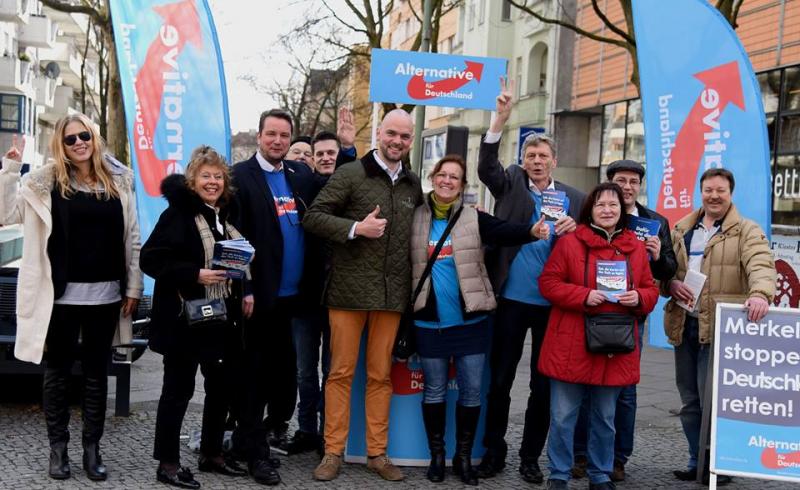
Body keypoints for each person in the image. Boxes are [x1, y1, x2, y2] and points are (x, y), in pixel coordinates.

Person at [0, 115, 143, 481]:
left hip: (106, 296)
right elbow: (5, 214)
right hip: (58, 298)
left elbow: (133, 238)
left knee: (97, 375)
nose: (79, 143)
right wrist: (11, 169)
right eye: (70, 139)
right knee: (58, 374)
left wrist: (133, 287)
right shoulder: (44, 183)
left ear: (94, 138)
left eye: (84, 136)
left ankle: (92, 450)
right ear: (59, 146)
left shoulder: (120, 181)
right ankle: (58, 449)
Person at [411, 155, 550, 485]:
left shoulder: (473, 217)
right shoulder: (415, 217)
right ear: (433, 177)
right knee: (433, 392)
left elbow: (505, 231)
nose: (447, 181)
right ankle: (437, 457)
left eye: (454, 177)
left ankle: (462, 458)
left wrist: (532, 230)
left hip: (470, 323)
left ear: (462, 185)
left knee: (472, 394)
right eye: (442, 175)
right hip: (429, 322)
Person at [303, 109, 423, 482]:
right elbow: (314, 217)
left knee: (381, 376)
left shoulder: (412, 184)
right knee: (339, 374)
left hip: (391, 295)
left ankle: (377, 453)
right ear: (378, 133)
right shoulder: (350, 173)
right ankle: (333, 452)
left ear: (410, 140)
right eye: (392, 134)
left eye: (404, 137)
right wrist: (356, 227)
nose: (397, 142)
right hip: (347, 293)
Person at [477, 78, 584, 483]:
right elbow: (486, 166)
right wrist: (499, 121)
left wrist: (576, 231)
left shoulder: (574, 198)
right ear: (523, 160)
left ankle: (530, 458)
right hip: (510, 300)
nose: (536, 161)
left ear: (554, 160)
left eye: (543, 155)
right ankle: (494, 453)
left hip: (552, 305)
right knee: (500, 381)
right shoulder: (510, 182)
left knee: (542, 388)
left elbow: (590, 246)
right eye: (530, 155)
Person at [140, 146, 251, 489]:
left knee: (221, 387)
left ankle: (211, 452)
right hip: (184, 319)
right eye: (206, 176)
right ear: (193, 180)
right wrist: (194, 274)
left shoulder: (227, 214)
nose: (213, 182)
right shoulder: (177, 214)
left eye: (218, 176)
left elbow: (236, 256)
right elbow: (151, 259)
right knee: (178, 390)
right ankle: (169, 463)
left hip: (222, 316)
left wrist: (243, 286)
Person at [537, 182, 658, 490]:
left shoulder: (635, 248)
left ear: (622, 211)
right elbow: (549, 283)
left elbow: (651, 289)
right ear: (590, 209)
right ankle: (559, 473)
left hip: (614, 345)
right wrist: (583, 295)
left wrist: (639, 297)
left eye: (613, 205)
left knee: (605, 417)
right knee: (563, 416)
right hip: (571, 341)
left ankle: (600, 473)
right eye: (601, 204)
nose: (607, 210)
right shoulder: (569, 242)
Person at [663, 168, 775, 485]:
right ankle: (696, 460)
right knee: (690, 402)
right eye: (708, 190)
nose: (714, 196)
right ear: (701, 192)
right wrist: (670, 283)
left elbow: (761, 265)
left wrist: (760, 294)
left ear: (730, 193)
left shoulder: (747, 231)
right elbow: (666, 271)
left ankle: (718, 463)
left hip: (721, 331)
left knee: (714, 402)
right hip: (684, 325)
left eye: (720, 190)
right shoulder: (682, 228)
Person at [230, 108, 323, 485]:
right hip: (259, 299)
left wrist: (346, 147)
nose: (278, 141)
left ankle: (251, 439)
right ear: (259, 136)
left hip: (294, 299)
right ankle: (255, 453)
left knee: (283, 380)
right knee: (254, 378)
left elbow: (334, 185)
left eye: (285, 136)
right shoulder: (241, 177)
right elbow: (233, 238)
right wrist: (246, 286)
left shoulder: (299, 174)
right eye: (271, 134)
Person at [573, 159, 678, 481]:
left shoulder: (654, 221)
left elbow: (669, 272)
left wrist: (659, 256)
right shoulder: (594, 214)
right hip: (592, 311)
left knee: (625, 391)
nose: (628, 186)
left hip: (630, 316)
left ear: (639, 186)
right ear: (610, 184)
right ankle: (581, 455)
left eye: (634, 181)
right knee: (587, 385)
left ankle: (618, 458)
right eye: (622, 180)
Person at [287, 108, 358, 455]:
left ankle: (331, 434)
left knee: (334, 371)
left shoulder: (348, 185)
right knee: (305, 371)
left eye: (332, 153)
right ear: (312, 160)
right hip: (305, 296)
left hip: (341, 296)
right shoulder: (306, 186)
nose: (327, 158)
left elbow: (348, 179)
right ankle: (306, 430)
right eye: (321, 154)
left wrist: (348, 149)